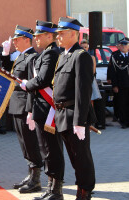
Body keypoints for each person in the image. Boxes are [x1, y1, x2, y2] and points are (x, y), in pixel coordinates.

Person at [20, 20, 64, 199]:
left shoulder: (51, 54)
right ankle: (51, 188)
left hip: (48, 110)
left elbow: (43, 80)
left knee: (51, 150)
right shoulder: (45, 53)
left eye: (39, 36)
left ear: (49, 36)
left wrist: (25, 85)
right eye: (35, 36)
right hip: (41, 109)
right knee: (46, 150)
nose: (36, 39)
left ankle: (56, 190)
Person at [53, 17, 96, 200]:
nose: (58, 37)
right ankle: (81, 187)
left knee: (81, 156)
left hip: (74, 116)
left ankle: (85, 191)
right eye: (58, 34)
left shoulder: (81, 56)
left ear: (73, 34)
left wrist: (80, 121)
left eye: (62, 34)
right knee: (74, 157)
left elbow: (83, 92)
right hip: (62, 114)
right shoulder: (64, 55)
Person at [0, 25, 43, 194]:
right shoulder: (20, 57)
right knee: (24, 143)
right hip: (17, 104)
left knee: (30, 143)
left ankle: (36, 179)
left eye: (17, 40)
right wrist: (4, 54)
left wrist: (31, 109)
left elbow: (33, 85)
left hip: (25, 105)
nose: (15, 43)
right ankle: (30, 174)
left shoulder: (32, 57)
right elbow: (9, 75)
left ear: (27, 39)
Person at [108, 38, 129, 128]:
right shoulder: (115, 56)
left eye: (125, 44)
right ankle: (124, 122)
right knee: (122, 103)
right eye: (122, 45)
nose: (123, 46)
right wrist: (115, 85)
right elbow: (112, 72)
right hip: (121, 84)